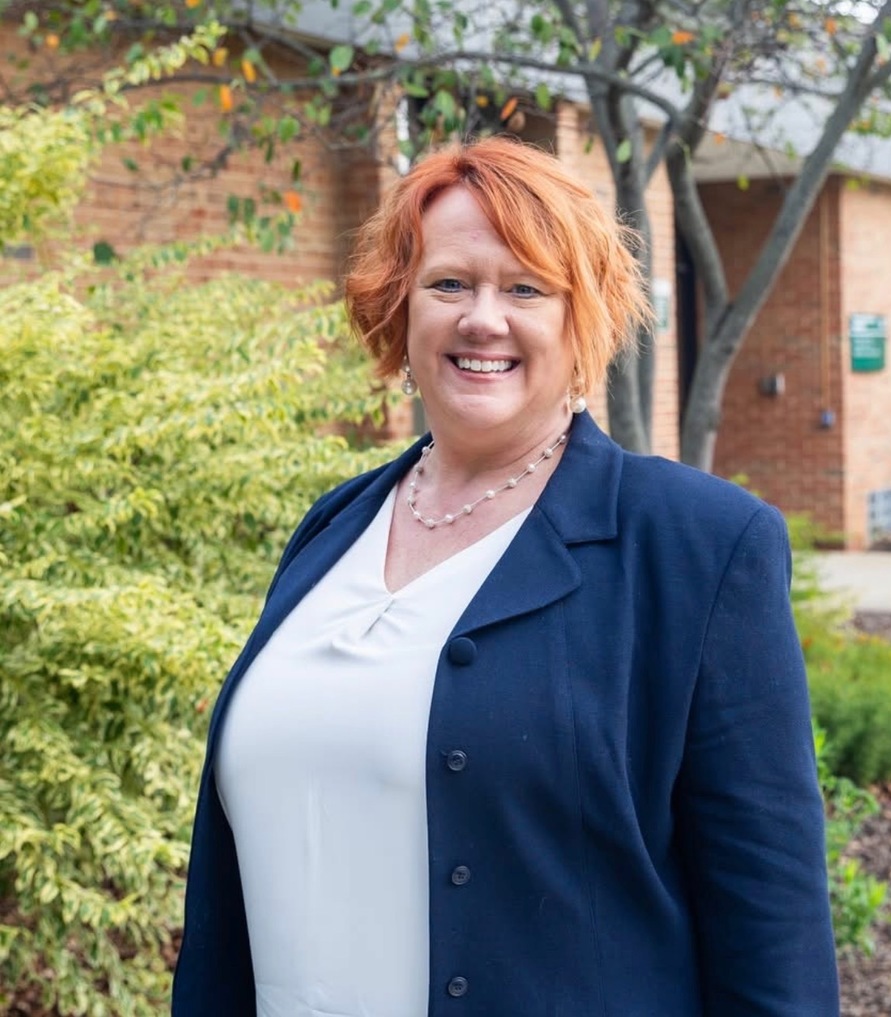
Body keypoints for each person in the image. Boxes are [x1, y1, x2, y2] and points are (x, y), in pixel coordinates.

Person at [172, 135, 840, 1016]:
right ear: (400, 306)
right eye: (449, 283)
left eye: (526, 288)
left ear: (581, 317)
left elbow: (772, 926)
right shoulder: (333, 529)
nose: (483, 318)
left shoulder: (698, 545)